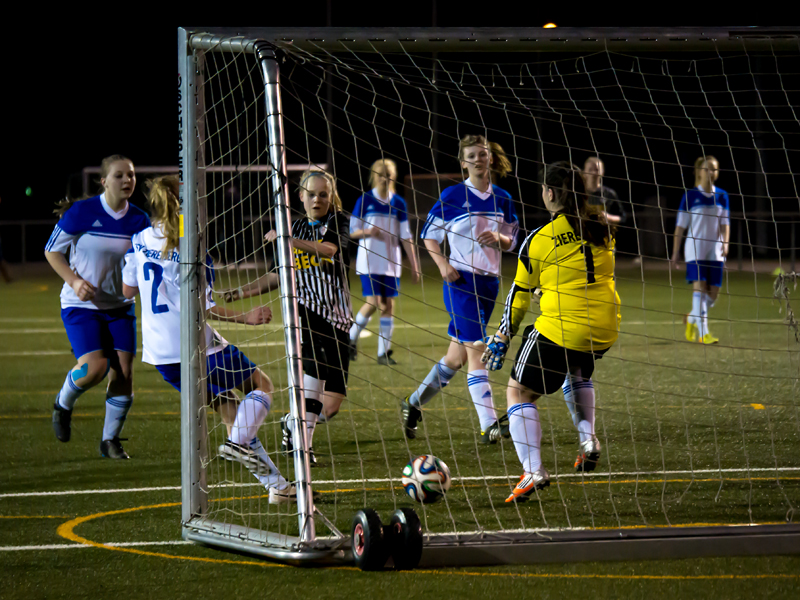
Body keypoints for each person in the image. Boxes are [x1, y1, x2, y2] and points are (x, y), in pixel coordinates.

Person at [120, 176, 294, 503]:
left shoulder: (139, 238)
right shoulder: (191, 241)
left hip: (161, 356)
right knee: (262, 385)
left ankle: (278, 487)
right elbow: (205, 307)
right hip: (197, 346)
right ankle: (239, 447)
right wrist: (247, 317)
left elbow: (128, 290)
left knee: (230, 409)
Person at [481, 161, 620, 503]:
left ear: (551, 193)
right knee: (576, 370)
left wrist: (503, 335)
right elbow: (581, 270)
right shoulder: (603, 228)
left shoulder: (539, 239)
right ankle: (588, 439)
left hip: (564, 326)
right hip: (604, 326)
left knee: (519, 393)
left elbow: (520, 295)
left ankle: (532, 470)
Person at [225, 169, 352, 465]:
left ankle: (291, 422)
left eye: (323, 194)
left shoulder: (338, 222)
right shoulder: (292, 228)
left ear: (331, 197)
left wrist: (287, 240)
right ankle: (302, 448)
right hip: (304, 314)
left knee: (330, 406)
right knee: (315, 371)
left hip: (337, 319)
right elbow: (275, 275)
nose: (317, 199)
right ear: (300, 196)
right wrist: (243, 292)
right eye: (311, 194)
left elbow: (330, 251)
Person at [401, 134, 519, 444]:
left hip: (490, 283)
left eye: (483, 154)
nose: (478, 159)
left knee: (456, 358)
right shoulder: (453, 195)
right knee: (477, 351)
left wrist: (501, 239)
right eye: (472, 155)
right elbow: (428, 235)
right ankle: (489, 424)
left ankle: (412, 404)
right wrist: (442, 265)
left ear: (490, 158)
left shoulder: (503, 198)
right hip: (461, 283)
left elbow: (514, 240)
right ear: (463, 162)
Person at [45, 155, 150, 459]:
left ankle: (109, 441)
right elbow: (52, 251)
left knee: (124, 374)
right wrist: (75, 281)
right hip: (81, 305)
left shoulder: (139, 220)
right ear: (104, 181)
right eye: (119, 176)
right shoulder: (82, 212)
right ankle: (63, 404)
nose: (127, 180)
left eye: (130, 175)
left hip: (120, 307)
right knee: (95, 369)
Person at [348, 158, 420, 365]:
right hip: (369, 261)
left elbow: (406, 236)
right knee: (373, 303)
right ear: (374, 176)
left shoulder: (398, 203)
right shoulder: (365, 200)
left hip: (391, 262)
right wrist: (367, 232)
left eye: (388, 175)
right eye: (380, 175)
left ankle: (383, 353)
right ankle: (350, 338)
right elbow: (352, 231)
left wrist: (414, 265)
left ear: (393, 177)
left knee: (388, 305)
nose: (384, 179)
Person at [670, 156, 730, 344]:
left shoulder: (722, 196)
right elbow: (680, 227)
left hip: (715, 250)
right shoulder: (690, 196)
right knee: (699, 288)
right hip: (694, 249)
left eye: (714, 169)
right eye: (707, 169)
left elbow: (725, 224)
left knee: (713, 294)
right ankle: (704, 334)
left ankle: (691, 318)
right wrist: (675, 252)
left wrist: (726, 243)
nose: (711, 172)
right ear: (698, 172)